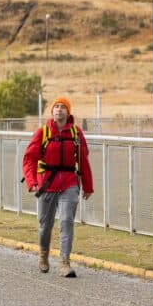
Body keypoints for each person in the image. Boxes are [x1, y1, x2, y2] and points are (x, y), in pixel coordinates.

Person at [23, 97, 94, 277]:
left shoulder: (76, 134)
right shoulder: (43, 132)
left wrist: (88, 186)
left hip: (70, 183)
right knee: (45, 225)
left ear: (68, 112)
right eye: (57, 107)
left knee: (66, 221)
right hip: (46, 184)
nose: (60, 110)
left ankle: (64, 263)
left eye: (63, 107)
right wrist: (31, 181)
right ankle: (43, 255)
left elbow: (83, 160)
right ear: (52, 111)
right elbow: (29, 159)